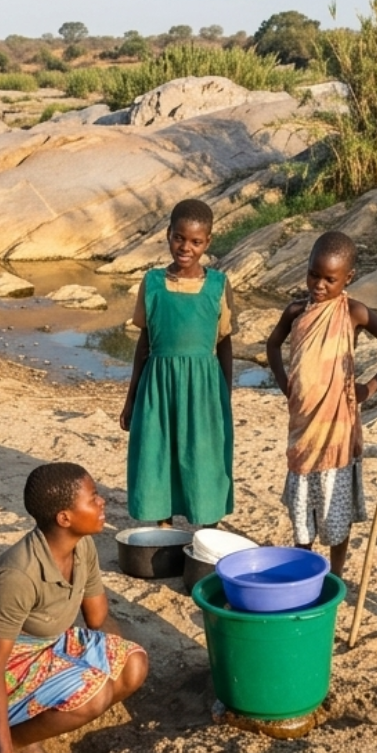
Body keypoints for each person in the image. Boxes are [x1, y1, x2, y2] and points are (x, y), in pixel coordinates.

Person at [0, 462, 148, 753]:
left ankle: (28, 732)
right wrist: (95, 692)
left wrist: (114, 664)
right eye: (93, 498)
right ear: (64, 518)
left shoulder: (83, 547)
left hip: (44, 645)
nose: (102, 502)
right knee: (94, 695)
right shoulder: (18, 575)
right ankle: (0, 742)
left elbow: (98, 619)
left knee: (133, 665)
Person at [265, 231, 377, 577]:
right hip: (302, 427)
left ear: (348, 278)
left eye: (330, 279)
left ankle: (336, 574)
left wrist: (369, 388)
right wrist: (288, 386)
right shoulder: (296, 311)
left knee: (335, 508)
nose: (319, 284)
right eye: (314, 274)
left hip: (337, 430)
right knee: (303, 507)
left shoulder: (354, 313)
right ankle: (304, 568)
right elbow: (273, 346)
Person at [118, 199, 235, 528]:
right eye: (179, 238)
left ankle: (207, 529)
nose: (186, 247)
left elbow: (224, 341)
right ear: (168, 235)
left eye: (196, 242)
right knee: (159, 451)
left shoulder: (218, 286)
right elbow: (144, 342)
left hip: (203, 387)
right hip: (158, 384)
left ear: (207, 243)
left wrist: (225, 392)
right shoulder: (152, 283)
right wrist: (131, 398)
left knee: (204, 455)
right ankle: (164, 529)